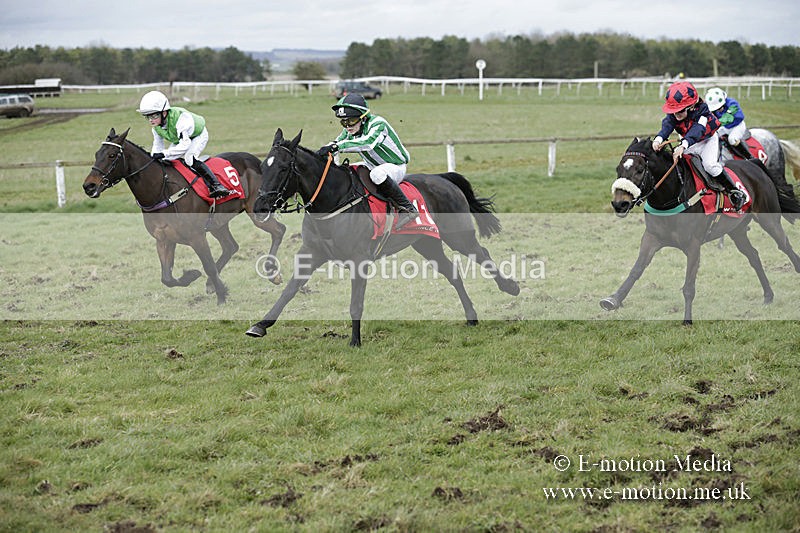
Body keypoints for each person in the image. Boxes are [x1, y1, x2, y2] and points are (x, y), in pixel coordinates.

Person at [316, 93, 419, 229]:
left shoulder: (378, 124)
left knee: (377, 174)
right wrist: (320, 153)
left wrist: (337, 147)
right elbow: (337, 142)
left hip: (395, 166)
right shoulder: (349, 131)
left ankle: (408, 209)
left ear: (363, 118)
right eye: (343, 122)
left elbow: (368, 143)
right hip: (372, 165)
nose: (347, 126)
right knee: (348, 171)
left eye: (351, 121)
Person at [652, 81, 746, 210]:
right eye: (673, 112)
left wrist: (683, 146)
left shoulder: (703, 111)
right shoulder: (675, 113)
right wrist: (658, 139)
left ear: (691, 106)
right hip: (688, 141)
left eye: (679, 111)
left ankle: (735, 192)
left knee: (709, 166)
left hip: (707, 141)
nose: (676, 115)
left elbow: (697, 130)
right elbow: (667, 126)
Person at [136, 90, 230, 198]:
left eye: (154, 116)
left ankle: (217, 185)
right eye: (148, 117)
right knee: (167, 161)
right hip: (181, 140)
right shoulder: (156, 128)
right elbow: (157, 146)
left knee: (189, 158)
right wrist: (154, 158)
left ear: (164, 112)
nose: (151, 120)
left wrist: (164, 154)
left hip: (198, 135)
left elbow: (185, 145)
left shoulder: (181, 119)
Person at [704, 87, 750, 158]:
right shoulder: (714, 107)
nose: (717, 111)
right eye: (715, 109)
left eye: (719, 108)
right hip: (725, 127)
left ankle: (748, 156)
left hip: (737, 126)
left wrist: (717, 123)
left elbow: (728, 118)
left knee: (732, 139)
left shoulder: (732, 104)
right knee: (712, 137)